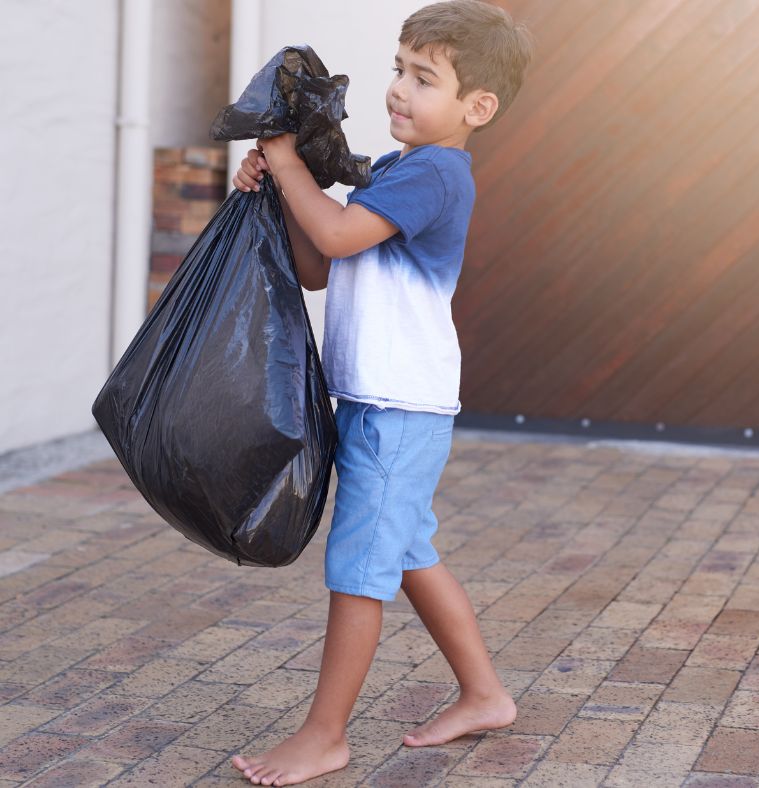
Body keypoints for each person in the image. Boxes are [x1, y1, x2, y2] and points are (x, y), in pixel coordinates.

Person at [228, 1, 533, 785]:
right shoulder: (399, 169)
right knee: (403, 554)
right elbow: (321, 263)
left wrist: (288, 161)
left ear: (477, 107)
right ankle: (485, 694)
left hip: (400, 405)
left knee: (360, 566)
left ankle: (325, 736)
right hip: (379, 399)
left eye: (423, 78)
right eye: (399, 69)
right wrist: (273, 188)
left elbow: (334, 234)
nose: (399, 88)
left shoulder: (435, 173)